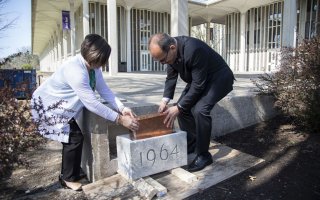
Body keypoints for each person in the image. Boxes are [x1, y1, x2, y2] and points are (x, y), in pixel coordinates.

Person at [31, 34, 139, 191]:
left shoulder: (93, 68)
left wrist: (122, 108)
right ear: (93, 57)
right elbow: (92, 103)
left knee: (73, 138)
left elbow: (104, 91)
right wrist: (120, 119)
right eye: (100, 61)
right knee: (73, 138)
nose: (101, 65)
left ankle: (70, 174)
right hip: (48, 105)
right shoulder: (76, 70)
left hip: (63, 106)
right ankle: (67, 178)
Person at [148, 33, 234, 172]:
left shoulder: (194, 49)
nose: (163, 63)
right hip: (199, 79)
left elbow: (198, 86)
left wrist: (179, 107)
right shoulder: (169, 53)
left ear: (172, 47)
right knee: (182, 108)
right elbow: (171, 78)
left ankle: (204, 155)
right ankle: (192, 143)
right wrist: (165, 100)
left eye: (163, 60)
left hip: (218, 78)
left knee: (200, 110)